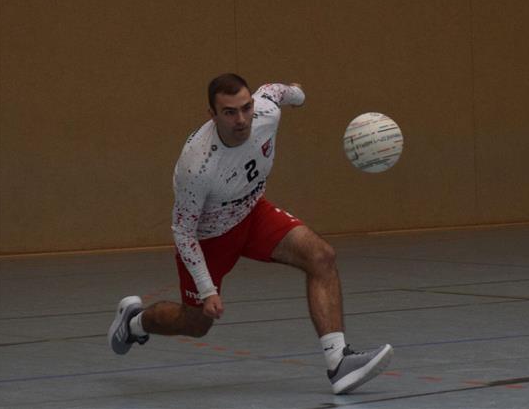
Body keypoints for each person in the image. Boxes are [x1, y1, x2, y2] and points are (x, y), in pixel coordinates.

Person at [108, 73, 393, 394]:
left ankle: (338, 363)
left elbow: (278, 91)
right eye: (229, 112)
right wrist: (207, 291)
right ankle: (135, 321)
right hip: (209, 238)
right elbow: (183, 231)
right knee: (196, 324)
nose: (241, 119)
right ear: (212, 115)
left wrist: (298, 94)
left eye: (246, 108)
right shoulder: (196, 166)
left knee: (321, 255)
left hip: (253, 212)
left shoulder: (266, 110)